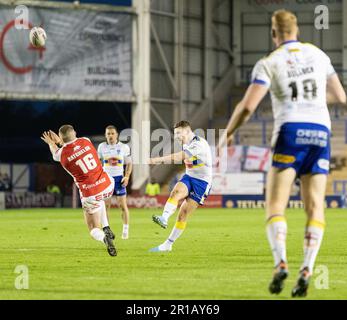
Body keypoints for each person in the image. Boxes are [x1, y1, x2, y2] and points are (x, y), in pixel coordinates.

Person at [219, 9, 346, 297]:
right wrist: (311, 97)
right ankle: (308, 268)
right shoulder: (319, 55)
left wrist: (227, 133)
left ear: (274, 34)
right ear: (297, 30)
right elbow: (341, 98)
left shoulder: (269, 62)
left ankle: (281, 264)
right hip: (320, 133)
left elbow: (248, 106)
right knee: (315, 206)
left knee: (276, 205)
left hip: (290, 131)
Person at [41, 125, 117, 256]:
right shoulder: (86, 140)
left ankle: (104, 237)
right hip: (108, 184)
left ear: (62, 139)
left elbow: (56, 151)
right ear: (75, 132)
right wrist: (60, 141)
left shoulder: (61, 154)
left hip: (90, 193)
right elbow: (70, 143)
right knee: (100, 199)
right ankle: (107, 227)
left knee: (93, 229)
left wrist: (50, 142)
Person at [149, 120, 212, 252]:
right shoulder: (186, 143)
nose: (176, 136)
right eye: (175, 133)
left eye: (178, 133)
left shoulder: (199, 144)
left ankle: (168, 244)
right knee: (175, 192)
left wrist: (157, 159)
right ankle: (164, 218)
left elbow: (181, 156)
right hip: (189, 177)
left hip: (202, 182)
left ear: (188, 131)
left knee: (183, 214)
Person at [97, 125, 132, 240]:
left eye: (112, 133)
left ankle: (125, 230)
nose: (110, 136)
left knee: (122, 205)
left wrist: (126, 177)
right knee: (105, 206)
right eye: (108, 134)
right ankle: (107, 230)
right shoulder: (101, 147)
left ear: (117, 135)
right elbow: (97, 163)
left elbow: (129, 164)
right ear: (105, 135)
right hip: (106, 180)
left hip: (119, 179)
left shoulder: (124, 147)